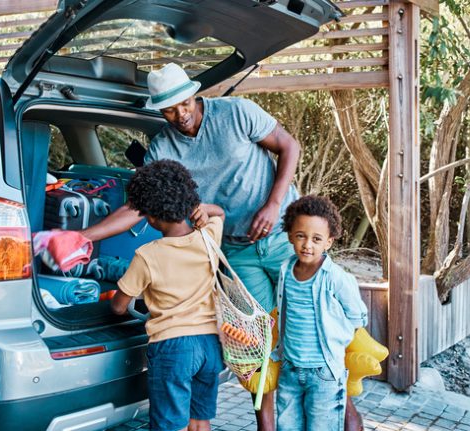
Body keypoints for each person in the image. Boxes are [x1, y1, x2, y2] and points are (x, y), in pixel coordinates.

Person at [82, 63, 364, 430]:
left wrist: (274, 205)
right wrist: (84, 236)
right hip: (235, 251)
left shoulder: (237, 113)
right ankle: (265, 424)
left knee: (315, 323)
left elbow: (288, 146)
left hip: (284, 238)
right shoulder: (163, 147)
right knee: (256, 341)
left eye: (184, 103)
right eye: (169, 109)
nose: (180, 115)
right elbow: (138, 205)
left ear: (194, 94)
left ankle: (347, 414)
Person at [110, 160, 226, 431]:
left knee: (170, 425)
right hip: (210, 344)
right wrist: (202, 210)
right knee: (199, 421)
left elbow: (118, 306)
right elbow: (219, 213)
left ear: (150, 216)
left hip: (173, 348)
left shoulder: (147, 255)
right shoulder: (209, 236)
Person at [272, 196, 368, 430]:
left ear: (329, 242)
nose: (308, 245)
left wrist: (338, 337)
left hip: (324, 373)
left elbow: (358, 316)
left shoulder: (335, 277)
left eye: (316, 239)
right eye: (301, 236)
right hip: (290, 368)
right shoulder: (285, 270)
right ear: (289, 235)